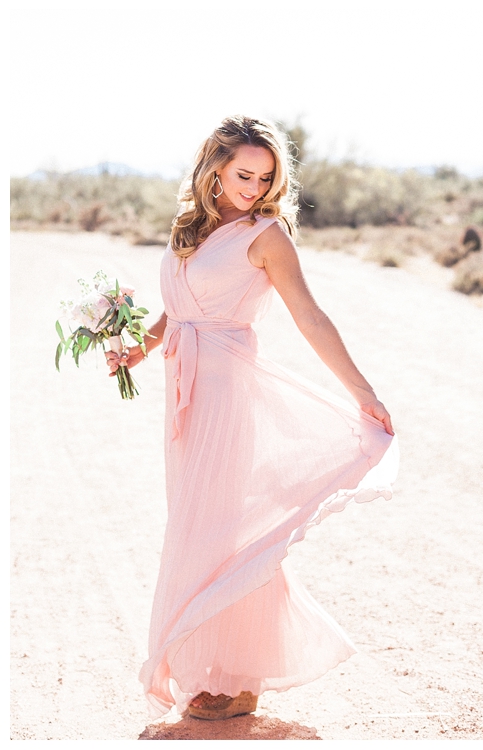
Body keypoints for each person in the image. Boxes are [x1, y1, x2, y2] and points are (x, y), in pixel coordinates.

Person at [106, 115, 398, 721]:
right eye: (244, 175)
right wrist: (137, 346)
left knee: (225, 532)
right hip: (186, 396)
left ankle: (242, 674)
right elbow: (178, 309)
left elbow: (310, 317)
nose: (255, 188)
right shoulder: (192, 228)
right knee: (200, 524)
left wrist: (361, 390)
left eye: (266, 178)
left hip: (230, 394)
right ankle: (218, 664)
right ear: (213, 168)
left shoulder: (267, 236)